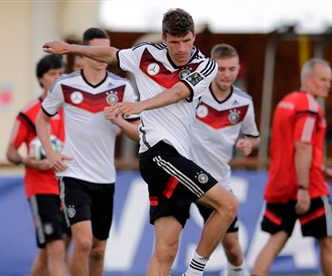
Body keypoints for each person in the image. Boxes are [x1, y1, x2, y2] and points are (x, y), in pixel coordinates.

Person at [42, 9, 238, 276]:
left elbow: (178, 91)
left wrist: (140, 105)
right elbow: (111, 54)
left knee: (165, 251)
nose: (182, 48)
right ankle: (195, 272)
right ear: (164, 38)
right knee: (228, 205)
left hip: (176, 158)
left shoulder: (205, 65)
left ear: (193, 37)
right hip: (159, 155)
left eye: (187, 40)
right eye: (175, 42)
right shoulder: (145, 54)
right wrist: (70, 48)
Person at [37, 28, 140, 276]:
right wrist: (51, 153)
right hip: (74, 174)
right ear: (84, 54)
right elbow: (43, 119)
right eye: (96, 50)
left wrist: (119, 122)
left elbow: (137, 132)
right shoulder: (65, 85)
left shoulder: (122, 87)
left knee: (98, 249)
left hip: (105, 177)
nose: (103, 56)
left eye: (107, 50)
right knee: (83, 242)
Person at [252, 58, 332, 276]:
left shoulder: (286, 101)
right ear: (309, 80)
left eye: (329, 80)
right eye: (323, 79)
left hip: (280, 182)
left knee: (277, 238)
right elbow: (302, 146)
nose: (328, 84)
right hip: (307, 186)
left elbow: (287, 147)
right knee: (330, 241)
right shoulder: (309, 106)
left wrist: (320, 167)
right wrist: (303, 187)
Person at [190, 44, 260, 276]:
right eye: (221, 69)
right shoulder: (194, 94)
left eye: (232, 69)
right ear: (211, 68)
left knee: (233, 250)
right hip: (184, 177)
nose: (227, 74)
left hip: (218, 183)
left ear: (238, 69)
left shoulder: (243, 103)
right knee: (168, 244)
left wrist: (248, 143)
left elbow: (254, 136)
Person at [6, 54, 70, 276]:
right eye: (53, 73)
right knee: (56, 246)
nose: (58, 77)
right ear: (41, 79)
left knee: (50, 251)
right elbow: (11, 151)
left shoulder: (72, 108)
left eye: (61, 73)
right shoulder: (29, 112)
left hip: (70, 185)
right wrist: (27, 161)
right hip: (42, 189)